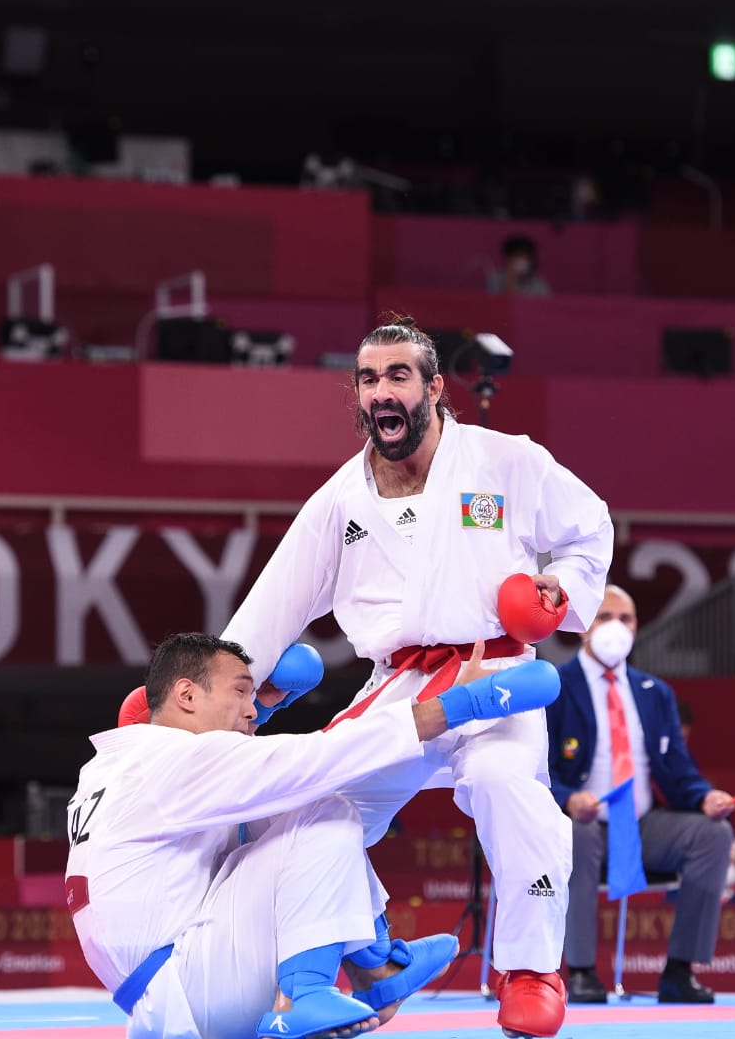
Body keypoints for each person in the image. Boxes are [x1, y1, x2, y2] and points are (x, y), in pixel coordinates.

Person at [222, 317, 613, 1038]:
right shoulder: (339, 501)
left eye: (398, 375)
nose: (381, 392)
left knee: (504, 784)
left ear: (433, 387)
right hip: (397, 690)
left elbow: (589, 529)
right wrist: (194, 692)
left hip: (496, 678)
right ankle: (374, 958)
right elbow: (266, 613)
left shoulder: (505, 462)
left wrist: (555, 586)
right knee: (316, 807)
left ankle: (531, 970)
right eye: (369, 379)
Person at [66, 632, 559, 1039]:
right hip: (196, 985)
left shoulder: (115, 765)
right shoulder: (173, 762)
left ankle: (377, 967)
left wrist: (250, 710)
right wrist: (454, 707)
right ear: (187, 695)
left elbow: (245, 807)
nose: (252, 709)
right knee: (321, 803)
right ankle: (308, 992)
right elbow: (316, 762)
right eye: (241, 692)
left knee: (277, 816)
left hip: (173, 992)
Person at [545, 586, 735, 1005]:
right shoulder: (555, 686)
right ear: (582, 628)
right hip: (584, 823)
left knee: (713, 836)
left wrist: (705, 798)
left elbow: (678, 771)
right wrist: (568, 798)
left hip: (642, 824)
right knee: (578, 833)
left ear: (636, 627)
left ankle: (680, 971)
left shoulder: (655, 692)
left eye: (625, 618)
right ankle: (579, 971)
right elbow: (539, 770)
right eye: (603, 616)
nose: (615, 626)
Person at [487, 235, 552, 297]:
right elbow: (495, 304)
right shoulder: (496, 278)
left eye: (525, 256)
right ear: (508, 258)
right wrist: (510, 280)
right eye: (518, 255)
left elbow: (545, 305)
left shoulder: (539, 283)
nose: (521, 260)